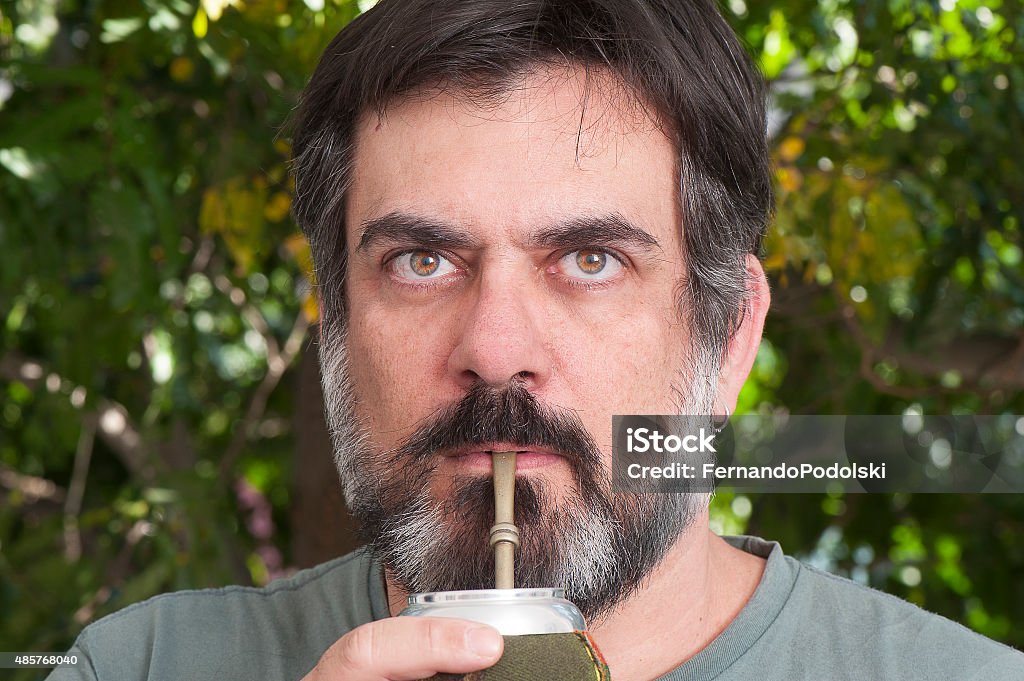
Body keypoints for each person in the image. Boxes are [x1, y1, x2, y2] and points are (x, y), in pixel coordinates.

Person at [48, 1, 1023, 679]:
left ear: (728, 336)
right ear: (335, 327)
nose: (495, 346)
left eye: (590, 259)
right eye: (420, 261)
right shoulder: (134, 669)